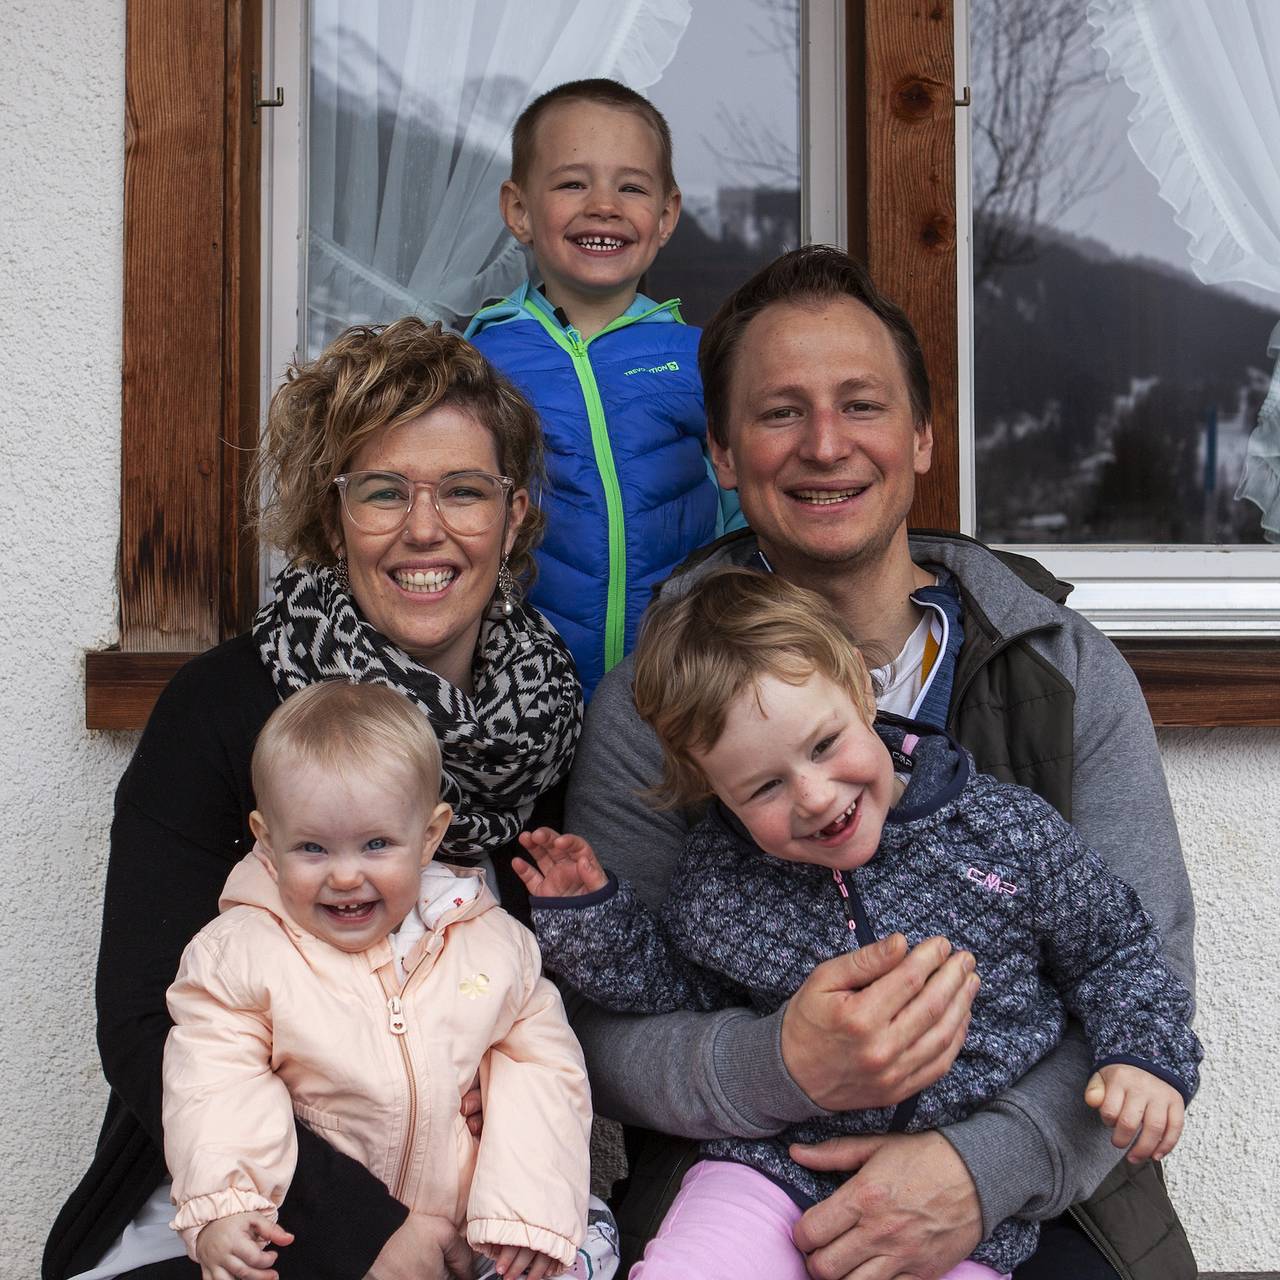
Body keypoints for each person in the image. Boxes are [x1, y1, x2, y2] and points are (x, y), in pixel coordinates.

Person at [563, 246, 1198, 1280]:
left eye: (859, 404)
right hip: (751, 1176)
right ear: (722, 454)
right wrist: (779, 1064)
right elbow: (599, 1022)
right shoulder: (653, 701)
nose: (823, 445)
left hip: (1046, 1195)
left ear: (919, 436)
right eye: (778, 412)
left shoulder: (1057, 664)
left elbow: (1141, 971)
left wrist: (978, 1167)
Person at [45, 319, 584, 1280]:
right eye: (384, 493)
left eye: (464, 491)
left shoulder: (551, 721)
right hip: (242, 1212)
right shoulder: (228, 707)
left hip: (483, 1210)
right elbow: (148, 1023)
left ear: (515, 516)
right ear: (334, 521)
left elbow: (555, 1014)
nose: (426, 529)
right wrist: (366, 1232)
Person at [515, 568, 1201, 1280]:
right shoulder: (718, 880)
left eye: (822, 745)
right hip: (778, 1166)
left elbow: (1116, 949)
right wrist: (592, 920)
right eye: (764, 787)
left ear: (860, 689)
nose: (814, 797)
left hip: (967, 1190)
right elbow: (670, 991)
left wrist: (1142, 1058)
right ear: (712, 789)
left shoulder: (1005, 834)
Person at [163, 681, 592, 1280]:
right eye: (312, 847)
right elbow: (215, 1083)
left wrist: (524, 1217)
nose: (345, 875)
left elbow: (543, 1073)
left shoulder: (491, 946)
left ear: (430, 836)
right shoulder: (241, 957)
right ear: (266, 841)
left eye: (376, 845)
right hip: (322, 1249)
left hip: (472, 1240)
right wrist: (227, 1205)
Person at [466, 78, 741, 699]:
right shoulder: (479, 360)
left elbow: (746, 505)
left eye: (631, 187)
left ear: (666, 215)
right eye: (572, 183)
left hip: (680, 684)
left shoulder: (700, 357)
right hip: (520, 687)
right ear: (519, 211)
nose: (603, 206)